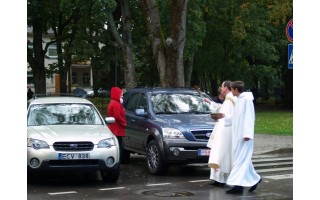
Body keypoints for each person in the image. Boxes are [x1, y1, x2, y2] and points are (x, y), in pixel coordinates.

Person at [223, 81, 262, 194]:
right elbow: (236, 117)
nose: (231, 92)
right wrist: (225, 117)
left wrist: (247, 134)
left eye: (231, 89)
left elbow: (249, 117)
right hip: (238, 135)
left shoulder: (247, 99)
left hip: (244, 136)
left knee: (241, 160)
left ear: (235, 89)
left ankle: (238, 186)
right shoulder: (239, 99)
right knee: (242, 160)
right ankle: (256, 179)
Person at [207, 80, 236, 187]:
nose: (220, 88)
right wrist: (210, 103)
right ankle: (217, 179)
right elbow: (222, 109)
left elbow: (230, 115)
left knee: (222, 154)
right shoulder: (228, 99)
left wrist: (222, 117)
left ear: (227, 88)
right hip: (221, 130)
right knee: (218, 154)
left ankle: (221, 179)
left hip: (225, 132)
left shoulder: (231, 99)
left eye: (222, 86)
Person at [107, 87, 127, 164]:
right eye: (121, 96)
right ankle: (118, 162)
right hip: (117, 129)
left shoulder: (113, 102)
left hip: (114, 128)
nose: (122, 98)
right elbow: (117, 116)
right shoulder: (116, 104)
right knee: (119, 147)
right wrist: (124, 122)